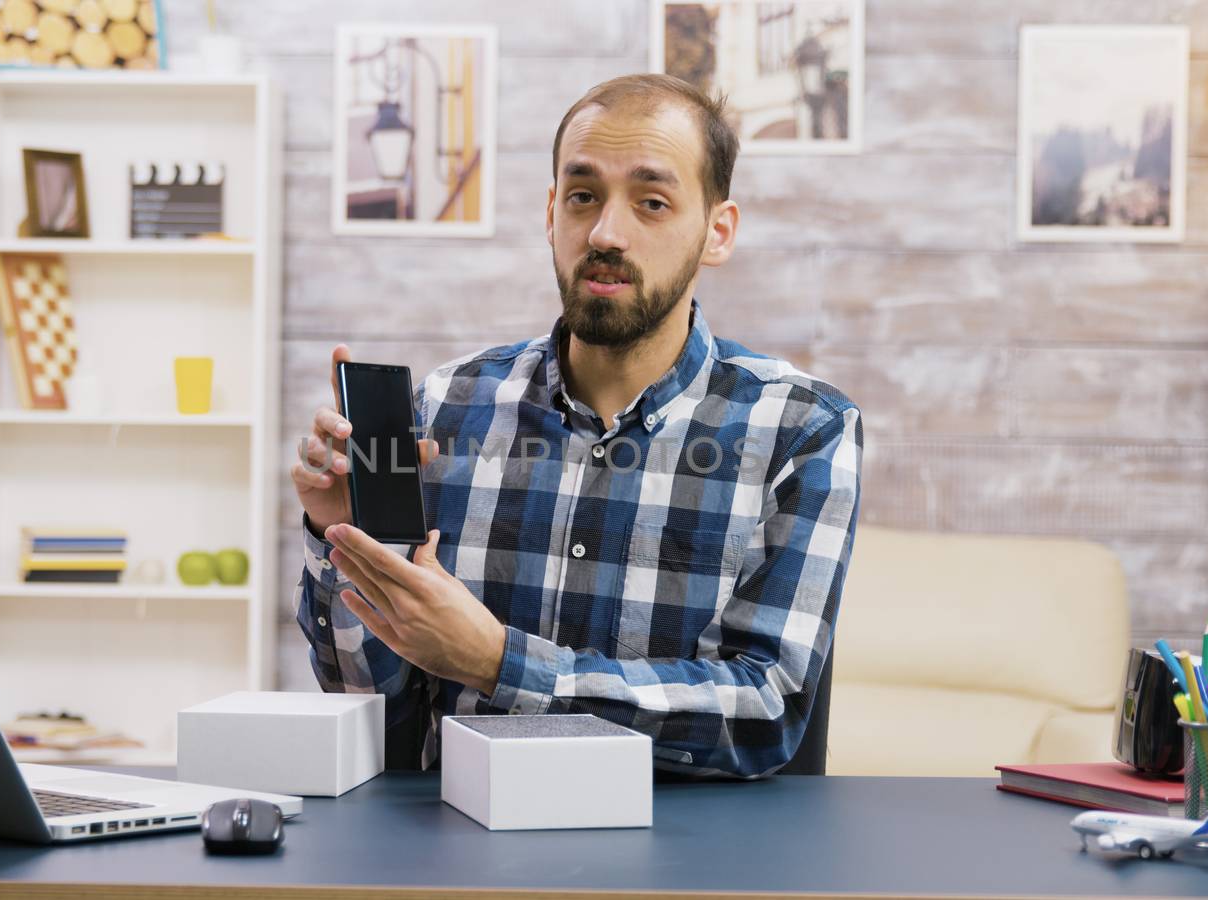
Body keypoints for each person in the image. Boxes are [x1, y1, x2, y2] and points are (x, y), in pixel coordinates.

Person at [291, 74, 862, 778]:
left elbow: (765, 714)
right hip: (463, 862)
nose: (605, 233)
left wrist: (497, 662)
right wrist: (339, 543)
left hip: (689, 869)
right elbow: (372, 711)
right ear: (552, 211)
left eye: (652, 202)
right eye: (584, 197)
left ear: (717, 231)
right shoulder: (446, 408)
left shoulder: (801, 429)